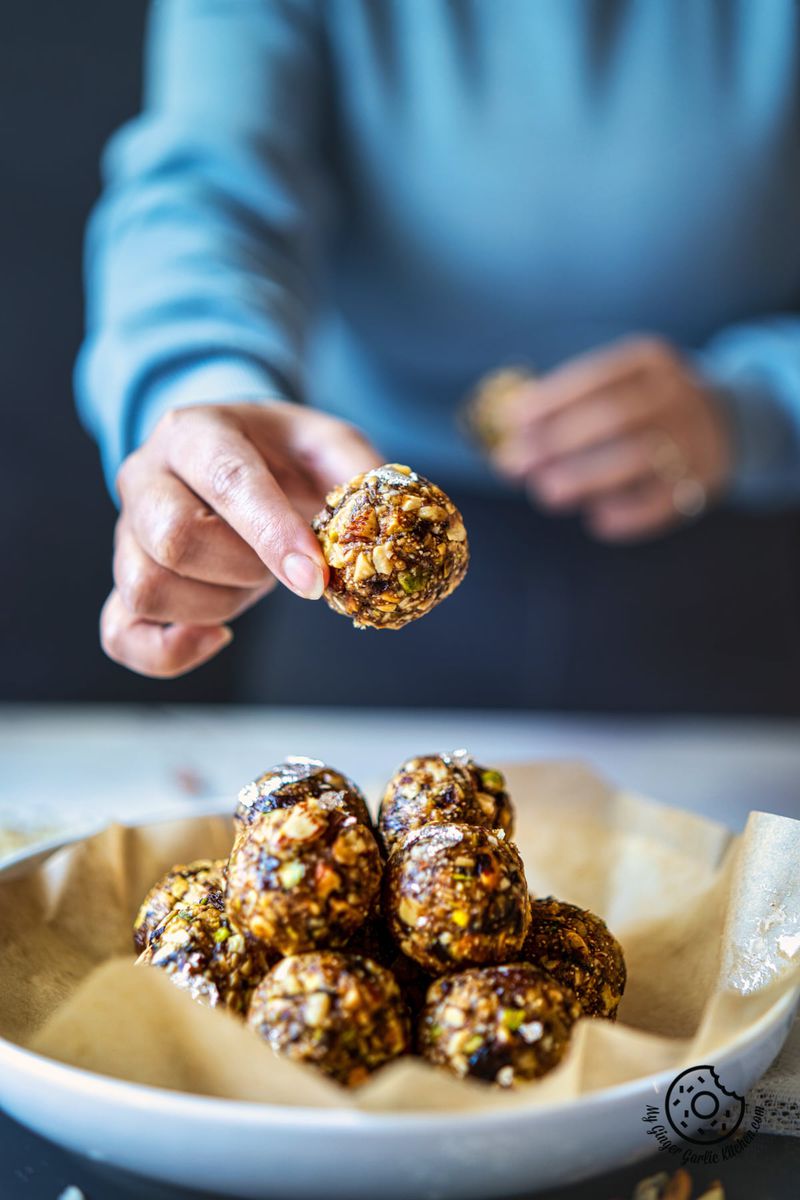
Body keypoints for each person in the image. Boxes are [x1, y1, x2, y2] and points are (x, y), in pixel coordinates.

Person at [76, 0, 800, 713]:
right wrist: (203, 389)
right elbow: (207, 182)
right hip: (338, 540)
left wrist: (758, 406)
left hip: (739, 562)